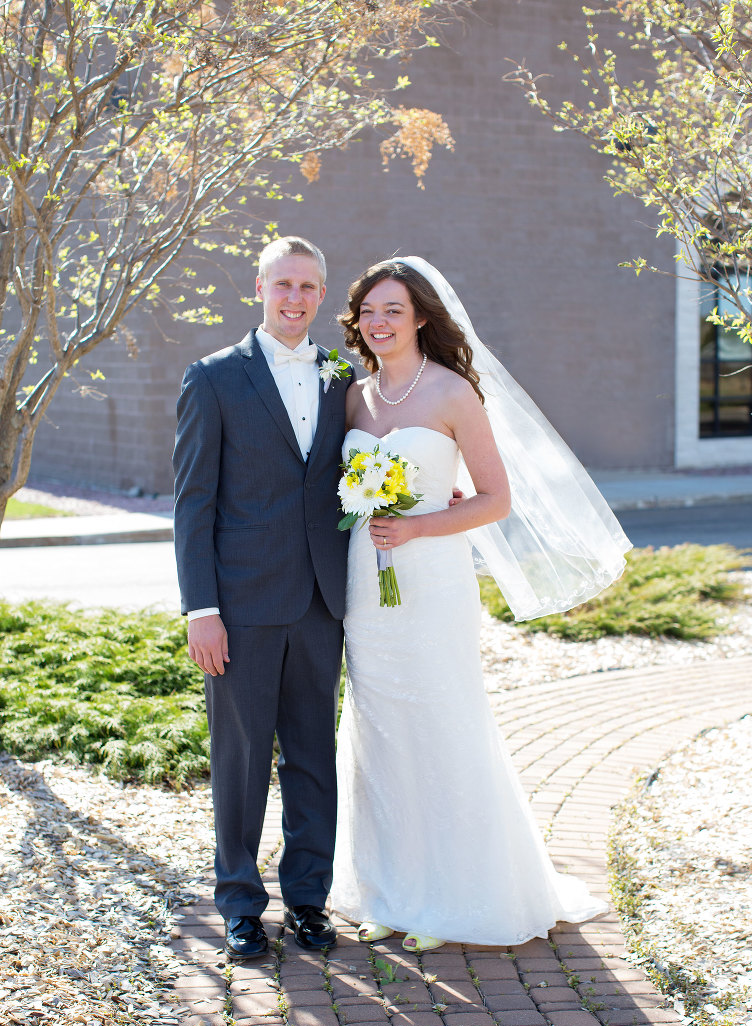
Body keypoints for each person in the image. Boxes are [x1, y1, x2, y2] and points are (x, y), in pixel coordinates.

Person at [330, 257, 631, 952]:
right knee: (378, 731)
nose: (379, 323)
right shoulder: (354, 398)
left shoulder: (452, 392)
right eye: (368, 311)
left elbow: (497, 498)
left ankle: (454, 896)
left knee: (442, 723)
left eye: (393, 310)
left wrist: (417, 525)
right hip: (364, 585)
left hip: (431, 580)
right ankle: (390, 889)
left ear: (422, 318)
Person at [173, 236, 352, 960]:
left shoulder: (343, 378)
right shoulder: (213, 378)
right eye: (283, 284)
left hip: (321, 603)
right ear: (258, 286)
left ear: (321, 296)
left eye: (308, 287)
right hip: (240, 609)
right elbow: (193, 504)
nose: (295, 298)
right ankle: (241, 904)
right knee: (242, 760)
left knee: (314, 757)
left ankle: (308, 899)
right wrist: (201, 609)